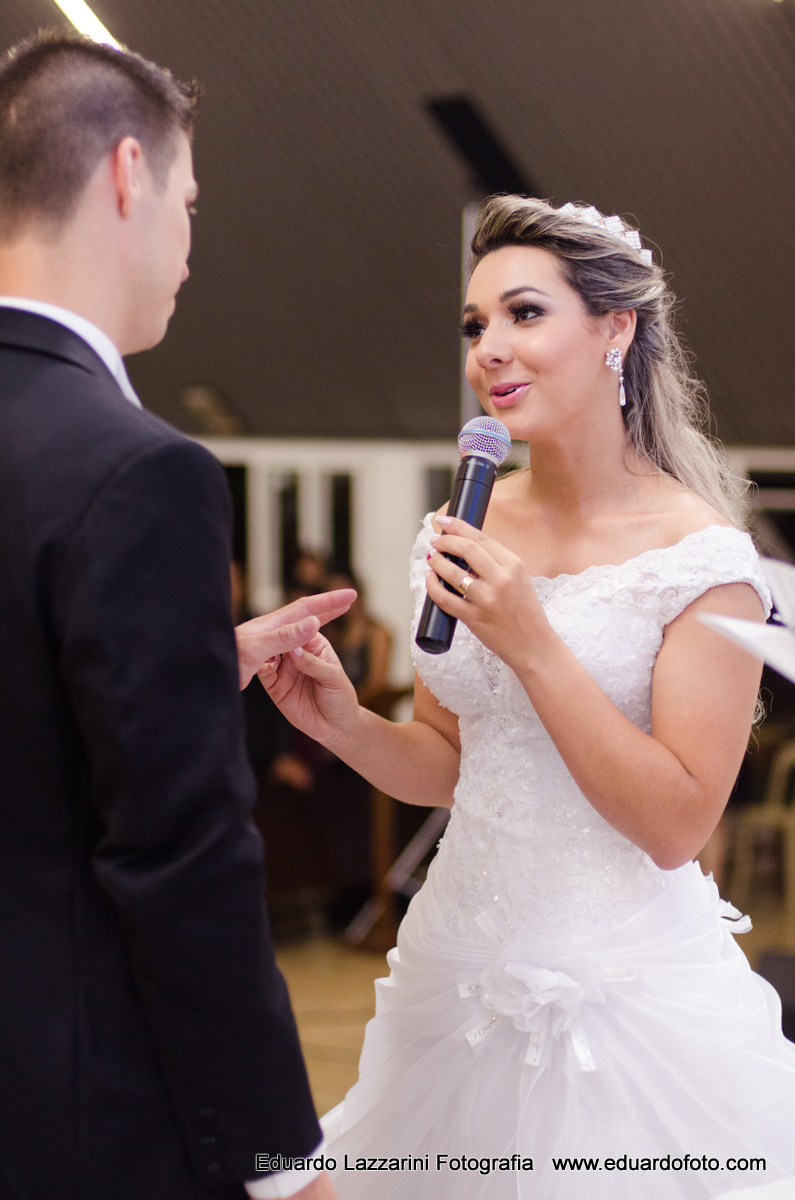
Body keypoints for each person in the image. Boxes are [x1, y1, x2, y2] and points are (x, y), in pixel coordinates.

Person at [253, 196, 795, 1196]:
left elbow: (676, 824)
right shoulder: (462, 527)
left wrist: (533, 643)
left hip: (624, 999)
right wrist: (346, 724)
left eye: (525, 314)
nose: (489, 349)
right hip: (456, 967)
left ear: (615, 329)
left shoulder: (703, 560)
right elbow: (452, 764)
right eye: (475, 325)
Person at [0, 31, 350, 1200]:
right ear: (127, 174)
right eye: (189, 203)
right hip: (68, 1110)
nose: (190, 245)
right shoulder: (137, 469)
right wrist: (280, 1160)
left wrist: (191, 673)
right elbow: (179, 855)